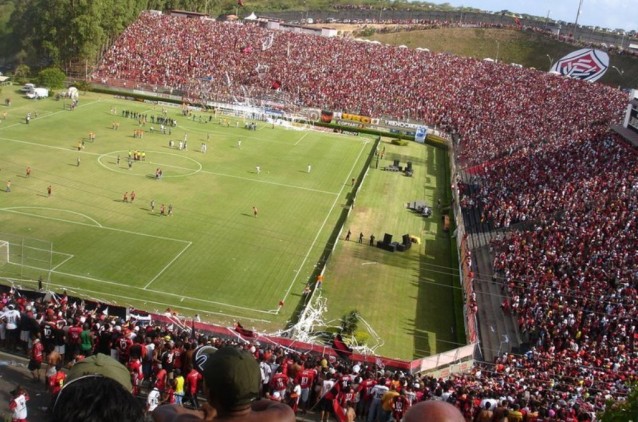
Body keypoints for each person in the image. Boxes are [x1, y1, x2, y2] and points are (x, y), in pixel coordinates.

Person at [152, 346, 295, 422]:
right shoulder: (283, 416)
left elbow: (163, 411)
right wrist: (238, 401)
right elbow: (274, 405)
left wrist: (203, 412)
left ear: (209, 392)